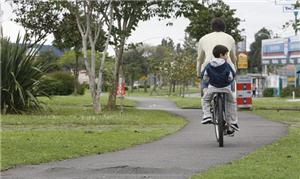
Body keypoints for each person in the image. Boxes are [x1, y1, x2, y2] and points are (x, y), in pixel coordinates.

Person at [197, 17, 239, 131]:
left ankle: (207, 114)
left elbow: (199, 59)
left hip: (208, 68)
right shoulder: (230, 38)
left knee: (205, 94)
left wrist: (198, 73)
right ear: (224, 28)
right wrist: (235, 68)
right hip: (227, 68)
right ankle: (231, 123)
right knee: (231, 97)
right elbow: (233, 57)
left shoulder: (203, 39)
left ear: (212, 27)